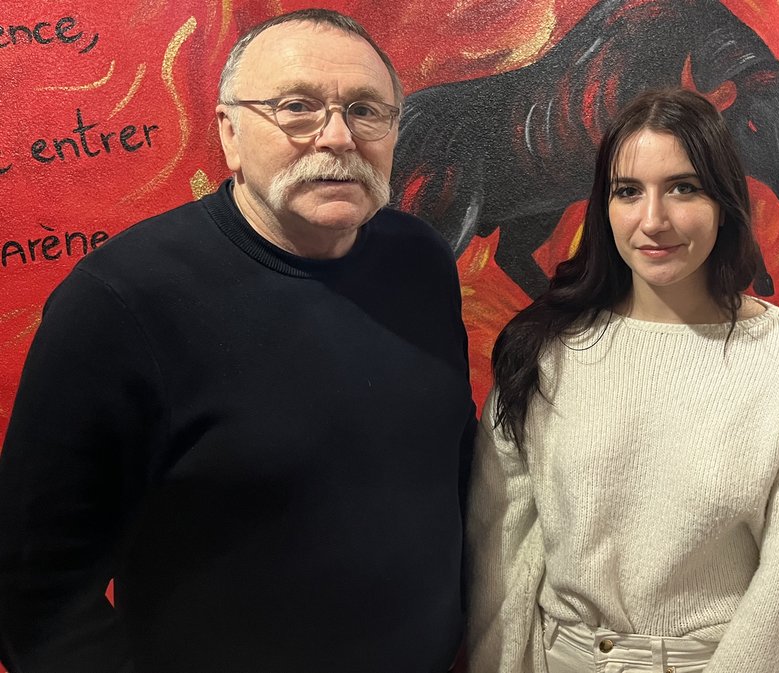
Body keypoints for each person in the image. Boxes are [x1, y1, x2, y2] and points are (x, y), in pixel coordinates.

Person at [0, 9, 474, 673]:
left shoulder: (421, 259)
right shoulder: (120, 302)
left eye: (367, 110)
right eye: (296, 107)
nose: (338, 136)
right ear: (229, 132)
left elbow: (446, 466)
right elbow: (35, 595)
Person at [466, 88, 779, 673]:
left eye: (683, 187)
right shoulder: (543, 349)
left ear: (724, 201)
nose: (653, 220)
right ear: (604, 206)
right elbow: (502, 550)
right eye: (628, 191)